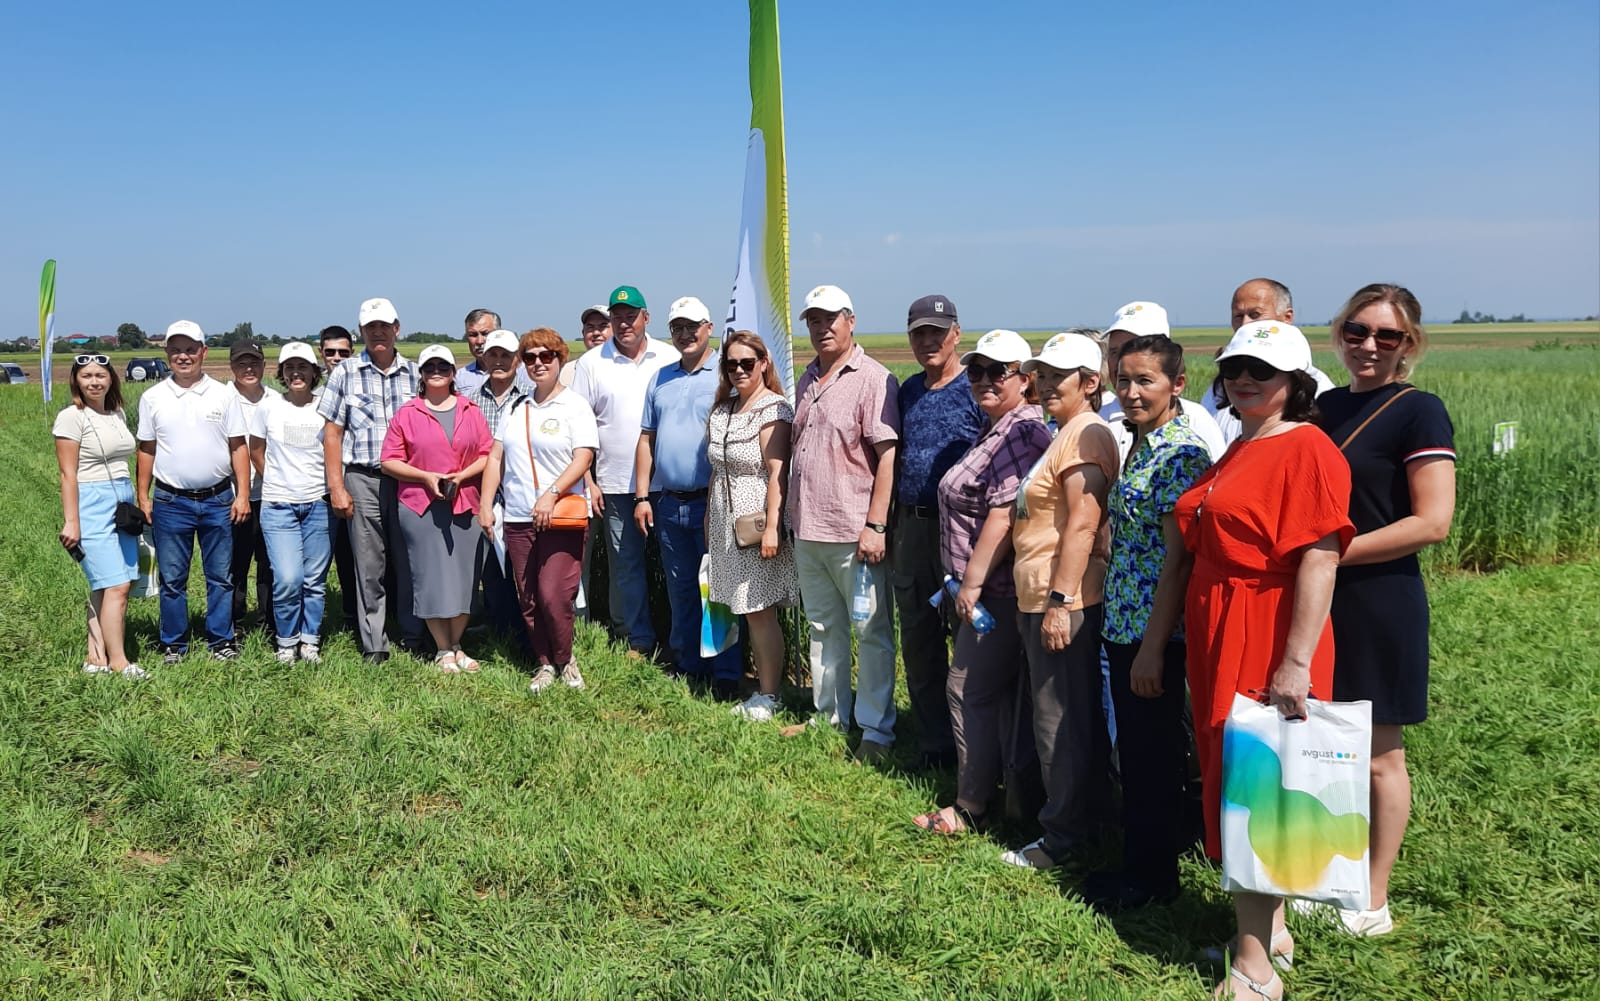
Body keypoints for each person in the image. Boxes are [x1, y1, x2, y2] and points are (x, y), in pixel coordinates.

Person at [1164, 321, 1353, 999]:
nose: (1245, 378)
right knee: (1233, 765)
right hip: (1222, 620)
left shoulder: (1305, 446)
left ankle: (1253, 968)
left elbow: (1321, 557)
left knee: (1255, 785)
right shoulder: (1244, 442)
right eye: (1236, 366)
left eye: (1263, 370)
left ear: (1295, 382)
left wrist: (1296, 659)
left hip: (1266, 625)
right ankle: (1270, 931)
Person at [1316, 284, 1456, 937]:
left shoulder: (1418, 412)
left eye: (1387, 335)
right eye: (1357, 330)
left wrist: (1331, 557)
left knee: (1378, 754)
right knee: (1326, 744)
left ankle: (1373, 895)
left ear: (1409, 344)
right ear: (1339, 333)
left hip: (1381, 598)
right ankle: (1329, 870)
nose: (1369, 345)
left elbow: (1432, 522)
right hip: (1318, 598)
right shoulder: (1322, 406)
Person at [1083, 334, 1213, 911]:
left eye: (1146, 381)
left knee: (1152, 755)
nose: (1132, 392)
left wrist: (1153, 648)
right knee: (1138, 750)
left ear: (1177, 385)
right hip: (1126, 620)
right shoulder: (1141, 441)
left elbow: (1178, 559)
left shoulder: (1179, 454)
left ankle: (1153, 879)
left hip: (1150, 630)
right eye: (1125, 379)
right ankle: (1143, 861)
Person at [912, 329, 1050, 834]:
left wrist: (969, 585)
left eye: (999, 372)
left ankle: (971, 805)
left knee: (966, 688)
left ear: (1025, 379)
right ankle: (1006, 796)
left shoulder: (1023, 432)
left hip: (997, 594)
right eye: (976, 372)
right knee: (995, 694)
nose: (985, 381)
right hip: (982, 590)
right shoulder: (998, 426)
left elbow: (1002, 516)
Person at [1002, 332, 1121, 868]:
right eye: (1042, 374)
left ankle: (1064, 841)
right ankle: (1075, 826)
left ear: (1090, 383)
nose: (1046, 384)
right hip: (1042, 596)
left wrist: (1059, 600)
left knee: (1060, 723)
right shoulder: (1066, 432)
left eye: (1059, 376)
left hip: (1064, 601)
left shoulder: (1086, 436)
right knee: (1059, 718)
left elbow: (1083, 524)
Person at [789, 284, 901, 763]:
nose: (821, 328)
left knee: (870, 632)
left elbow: (887, 456)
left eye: (830, 318)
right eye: (813, 320)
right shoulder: (807, 379)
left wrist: (876, 526)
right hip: (808, 526)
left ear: (850, 320)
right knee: (822, 627)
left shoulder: (874, 378)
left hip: (853, 533)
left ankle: (876, 730)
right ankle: (830, 714)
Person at [893, 294, 984, 770]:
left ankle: (975, 745)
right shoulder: (908, 391)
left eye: (937, 331)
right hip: (911, 528)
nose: (928, 341)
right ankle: (934, 743)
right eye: (919, 333)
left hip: (964, 534)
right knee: (918, 636)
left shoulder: (976, 388)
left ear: (956, 333)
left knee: (968, 640)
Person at [479, 328, 597, 692]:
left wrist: (552, 493)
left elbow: (584, 456)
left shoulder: (574, 405)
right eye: (530, 358)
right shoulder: (517, 406)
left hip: (560, 515)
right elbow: (496, 456)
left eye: (547, 356)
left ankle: (566, 658)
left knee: (553, 594)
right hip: (517, 516)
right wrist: (486, 505)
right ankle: (544, 662)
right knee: (528, 597)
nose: (538, 363)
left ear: (560, 359)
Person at [634, 296, 742, 694]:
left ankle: (727, 674)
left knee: (718, 589)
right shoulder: (661, 378)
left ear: (708, 327)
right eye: (677, 327)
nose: (685, 334)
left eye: (691, 326)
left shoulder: (726, 374)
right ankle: (688, 664)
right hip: (669, 503)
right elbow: (647, 438)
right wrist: (643, 496)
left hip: (713, 504)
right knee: (680, 589)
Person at [568, 285, 680, 658]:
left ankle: (679, 637)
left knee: (674, 565)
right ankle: (636, 637)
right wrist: (588, 481)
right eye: (617, 316)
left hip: (667, 482)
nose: (623, 323)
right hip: (614, 482)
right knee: (626, 564)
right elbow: (578, 427)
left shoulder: (668, 355)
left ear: (646, 317)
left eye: (630, 315)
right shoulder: (591, 363)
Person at [135, 320, 252, 662]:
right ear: (167, 353)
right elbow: (146, 448)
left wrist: (242, 494)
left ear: (203, 352)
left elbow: (238, 447)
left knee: (221, 576)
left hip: (218, 499)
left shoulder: (224, 394)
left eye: (189, 349)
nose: (183, 356)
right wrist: (143, 495)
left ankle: (221, 639)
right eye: (176, 350)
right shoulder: (152, 397)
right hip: (171, 500)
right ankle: (174, 642)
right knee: (173, 578)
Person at [318, 297, 423, 663]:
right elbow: (332, 433)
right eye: (370, 327)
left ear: (397, 328)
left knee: (411, 560)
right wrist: (337, 486)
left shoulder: (415, 373)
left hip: (408, 480)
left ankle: (413, 633)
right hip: (363, 478)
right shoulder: (344, 373)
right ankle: (374, 642)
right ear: (361, 331)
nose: (378, 332)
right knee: (369, 564)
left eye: (384, 325)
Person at [380, 345, 493, 673]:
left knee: (463, 579)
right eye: (430, 367)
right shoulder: (408, 413)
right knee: (429, 578)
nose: (437, 372)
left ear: (454, 372)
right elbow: (389, 460)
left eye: (443, 366)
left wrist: (464, 475)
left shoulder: (471, 410)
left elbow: (488, 454)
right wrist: (425, 477)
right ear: (422, 374)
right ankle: (442, 648)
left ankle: (456, 643)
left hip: (465, 505)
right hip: (420, 508)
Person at [707, 331, 799, 722]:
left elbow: (778, 472)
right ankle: (760, 686)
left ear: (764, 363)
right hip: (725, 521)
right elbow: (716, 470)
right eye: (732, 364)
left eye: (747, 362)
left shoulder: (773, 409)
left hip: (757, 521)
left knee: (760, 609)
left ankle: (770, 693)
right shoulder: (722, 410)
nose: (739, 370)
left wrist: (774, 527)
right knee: (745, 609)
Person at [54, 353, 144, 678]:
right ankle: (120, 661)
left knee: (106, 584)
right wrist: (71, 521)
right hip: (91, 503)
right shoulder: (71, 418)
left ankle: (95, 659)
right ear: (76, 381)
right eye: (86, 376)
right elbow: (67, 474)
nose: (94, 381)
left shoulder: (116, 413)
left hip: (122, 501)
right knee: (117, 584)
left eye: (100, 375)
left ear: (111, 379)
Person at [250, 342, 333, 664]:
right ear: (282, 373)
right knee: (287, 578)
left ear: (315, 372)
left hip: (318, 503)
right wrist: (274, 477)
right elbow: (256, 448)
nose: (296, 373)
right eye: (290, 368)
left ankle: (309, 640)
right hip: (278, 505)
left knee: (315, 579)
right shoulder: (268, 407)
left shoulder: (325, 405)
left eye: (303, 368)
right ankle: (287, 641)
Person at [1205, 279, 1337, 444]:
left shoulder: (1323, 395)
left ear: (1287, 317)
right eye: (1238, 316)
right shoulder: (1219, 389)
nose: (1245, 324)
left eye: (1255, 315)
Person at [1099, 302, 1226, 461]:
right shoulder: (1096, 419)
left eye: (1134, 349)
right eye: (1114, 351)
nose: (1122, 361)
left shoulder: (1195, 420)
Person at [469, 329, 532, 645]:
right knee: (491, 565)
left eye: (505, 356)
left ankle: (526, 632)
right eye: (492, 354)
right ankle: (499, 625)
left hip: (522, 492)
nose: (498, 361)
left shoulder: (531, 397)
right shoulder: (470, 400)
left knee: (522, 564)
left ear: (517, 360)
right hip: (482, 492)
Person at [225, 338, 278, 636]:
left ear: (263, 364)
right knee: (234, 563)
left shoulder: (276, 400)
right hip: (232, 496)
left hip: (270, 494)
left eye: (255, 362)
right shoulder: (221, 399)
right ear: (232, 365)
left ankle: (268, 622)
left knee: (268, 563)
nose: (249, 368)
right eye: (242, 363)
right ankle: (233, 621)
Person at [317, 325, 359, 631]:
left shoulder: (359, 387)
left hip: (354, 484)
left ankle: (352, 611)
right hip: (317, 488)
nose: (336, 358)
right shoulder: (309, 392)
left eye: (343, 352)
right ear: (321, 353)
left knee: (352, 555)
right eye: (330, 352)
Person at [569, 304, 611, 605]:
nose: (596, 332)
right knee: (578, 550)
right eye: (590, 327)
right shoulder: (572, 369)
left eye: (602, 326)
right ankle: (579, 620)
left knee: (622, 554)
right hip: (584, 473)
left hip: (623, 474)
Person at [457, 308, 534, 398]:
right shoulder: (459, 377)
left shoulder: (525, 371)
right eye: (473, 335)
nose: (479, 341)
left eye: (485, 333)